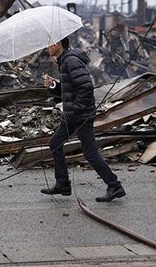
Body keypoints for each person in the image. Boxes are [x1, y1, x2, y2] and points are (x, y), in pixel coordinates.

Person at [41, 36, 126, 202]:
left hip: (80, 116)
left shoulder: (71, 61)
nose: (47, 47)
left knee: (90, 153)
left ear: (58, 44)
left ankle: (114, 185)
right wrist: (53, 85)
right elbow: (68, 91)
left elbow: (86, 88)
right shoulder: (64, 61)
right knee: (55, 143)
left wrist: (76, 110)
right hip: (73, 115)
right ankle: (63, 184)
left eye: (49, 43)